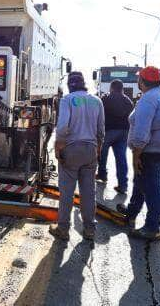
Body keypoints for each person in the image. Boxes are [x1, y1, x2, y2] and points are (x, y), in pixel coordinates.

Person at [116, 66, 160, 241]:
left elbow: (142, 128)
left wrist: (136, 153)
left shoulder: (148, 99)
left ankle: (153, 227)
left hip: (152, 149)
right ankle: (132, 210)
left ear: (142, 82)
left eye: (139, 79)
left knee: (152, 187)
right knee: (141, 180)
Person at [50, 71, 105, 241]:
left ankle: (63, 228)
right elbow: (101, 129)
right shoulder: (97, 101)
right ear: (83, 83)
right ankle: (89, 229)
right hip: (91, 149)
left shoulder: (67, 100)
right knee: (89, 191)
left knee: (67, 191)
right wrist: (98, 149)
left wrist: (58, 147)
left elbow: (62, 126)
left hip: (71, 149)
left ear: (69, 85)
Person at [97, 79, 134, 194]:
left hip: (108, 131)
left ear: (111, 88)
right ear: (122, 88)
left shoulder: (105, 99)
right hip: (124, 132)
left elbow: (100, 116)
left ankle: (102, 175)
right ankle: (123, 185)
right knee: (121, 158)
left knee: (102, 154)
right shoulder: (128, 101)